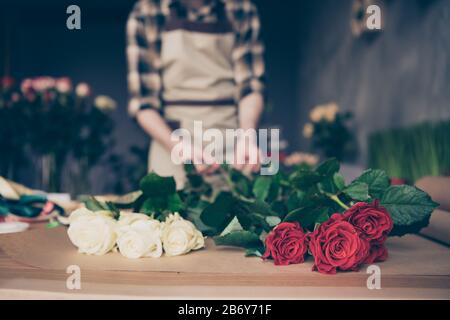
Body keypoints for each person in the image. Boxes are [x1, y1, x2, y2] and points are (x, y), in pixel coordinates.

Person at [127, 0, 265, 188]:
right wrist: (179, 147)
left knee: (236, 212)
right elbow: (144, 104)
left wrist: (247, 136)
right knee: (170, 215)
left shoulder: (241, 8)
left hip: (231, 142)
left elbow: (250, 88)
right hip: (171, 144)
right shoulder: (147, 11)